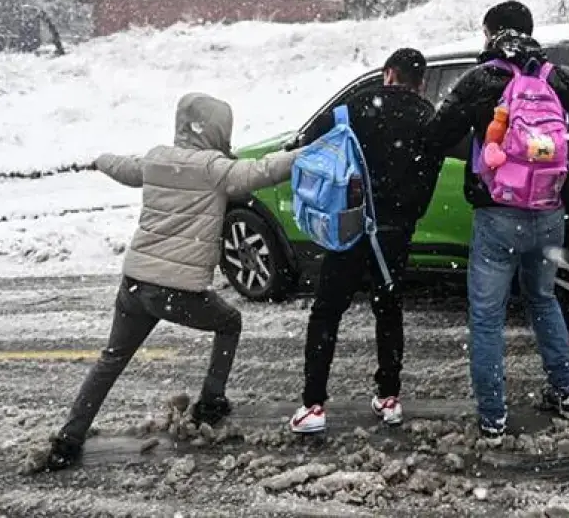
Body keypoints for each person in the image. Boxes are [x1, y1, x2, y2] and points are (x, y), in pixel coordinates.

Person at [29, 93, 299, 472]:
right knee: (229, 322)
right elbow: (263, 171)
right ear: (218, 129)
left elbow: (125, 167)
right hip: (176, 290)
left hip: (135, 284)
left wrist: (98, 159)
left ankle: (68, 439)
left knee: (112, 359)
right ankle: (211, 401)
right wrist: (304, 156)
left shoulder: (157, 159)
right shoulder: (214, 168)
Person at [428, 1, 569, 443]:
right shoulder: (558, 78)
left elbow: (435, 137)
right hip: (549, 212)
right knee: (543, 301)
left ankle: (492, 419)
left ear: (491, 34)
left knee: (487, 318)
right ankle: (568, 395)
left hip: (498, 214)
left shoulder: (481, 79)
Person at [288, 48, 444, 433]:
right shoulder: (428, 118)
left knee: (327, 312)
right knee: (388, 309)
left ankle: (313, 406)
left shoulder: (355, 108)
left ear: (388, 74)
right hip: (396, 233)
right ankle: (389, 397)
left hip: (350, 226)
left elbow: (308, 145)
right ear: (420, 82)